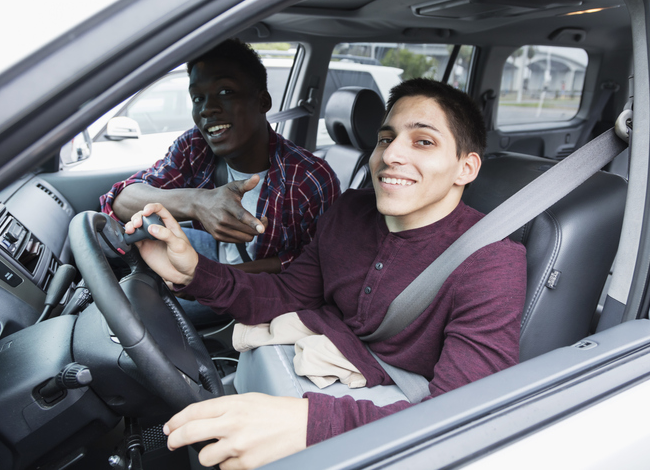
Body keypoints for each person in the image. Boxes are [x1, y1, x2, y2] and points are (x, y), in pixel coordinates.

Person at [126, 78, 527, 469]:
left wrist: (308, 425)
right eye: (386, 139)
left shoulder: (491, 261)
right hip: (321, 378)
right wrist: (195, 271)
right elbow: (285, 293)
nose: (390, 156)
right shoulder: (350, 211)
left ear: (465, 168)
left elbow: (462, 416)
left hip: (390, 426)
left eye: (423, 141)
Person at [100, 39, 340, 325]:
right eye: (198, 98)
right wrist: (197, 202)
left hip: (260, 287)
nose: (207, 109)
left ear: (263, 101)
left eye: (225, 92)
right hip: (212, 254)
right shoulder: (195, 145)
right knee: (116, 246)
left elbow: (316, 270)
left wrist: (204, 276)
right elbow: (119, 200)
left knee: (136, 315)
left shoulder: (308, 177)